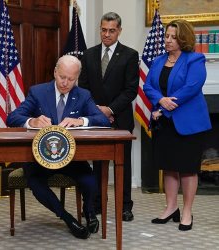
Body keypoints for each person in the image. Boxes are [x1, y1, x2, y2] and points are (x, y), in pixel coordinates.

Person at [6, 55, 110, 239]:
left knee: (90, 180)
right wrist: (33, 121)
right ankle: (68, 218)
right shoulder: (38, 92)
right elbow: (12, 118)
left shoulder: (83, 95)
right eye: (62, 77)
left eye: (71, 79)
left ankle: (89, 211)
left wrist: (81, 121)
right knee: (36, 183)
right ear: (55, 72)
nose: (65, 83)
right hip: (40, 158)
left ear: (77, 77)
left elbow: (103, 120)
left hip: (71, 157)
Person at [143, 19, 211, 231]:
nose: (168, 40)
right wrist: (159, 100)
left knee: (188, 169)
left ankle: (187, 211)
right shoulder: (158, 61)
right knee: (169, 167)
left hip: (189, 124)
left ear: (184, 38)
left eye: (173, 37)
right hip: (165, 124)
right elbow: (148, 86)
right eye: (167, 36)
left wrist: (163, 106)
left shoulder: (195, 59)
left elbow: (191, 87)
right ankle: (171, 207)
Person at [78, 12, 139, 221]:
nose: (107, 34)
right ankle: (96, 203)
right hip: (95, 119)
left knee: (123, 163)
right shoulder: (89, 55)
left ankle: (124, 206)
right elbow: (83, 88)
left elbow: (131, 90)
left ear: (119, 31)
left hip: (120, 118)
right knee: (97, 162)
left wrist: (110, 109)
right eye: (103, 30)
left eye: (111, 30)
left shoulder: (130, 55)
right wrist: (97, 110)